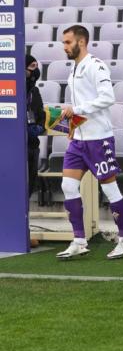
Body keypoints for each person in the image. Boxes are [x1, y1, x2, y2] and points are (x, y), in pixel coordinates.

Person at [56, 25, 123, 260]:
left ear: (81, 42)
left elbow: (108, 97)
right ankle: (79, 240)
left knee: (110, 189)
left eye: (68, 42)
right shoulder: (74, 68)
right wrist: (72, 125)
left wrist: (75, 109)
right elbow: (78, 107)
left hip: (99, 139)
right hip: (78, 140)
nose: (64, 47)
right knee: (68, 186)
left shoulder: (96, 66)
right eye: (64, 43)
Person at [26, 54, 45, 248]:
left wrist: (38, 127)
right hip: (12, 148)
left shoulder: (35, 92)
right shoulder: (9, 90)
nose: (35, 70)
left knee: (28, 189)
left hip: (31, 147)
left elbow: (40, 116)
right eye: (31, 66)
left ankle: (24, 231)